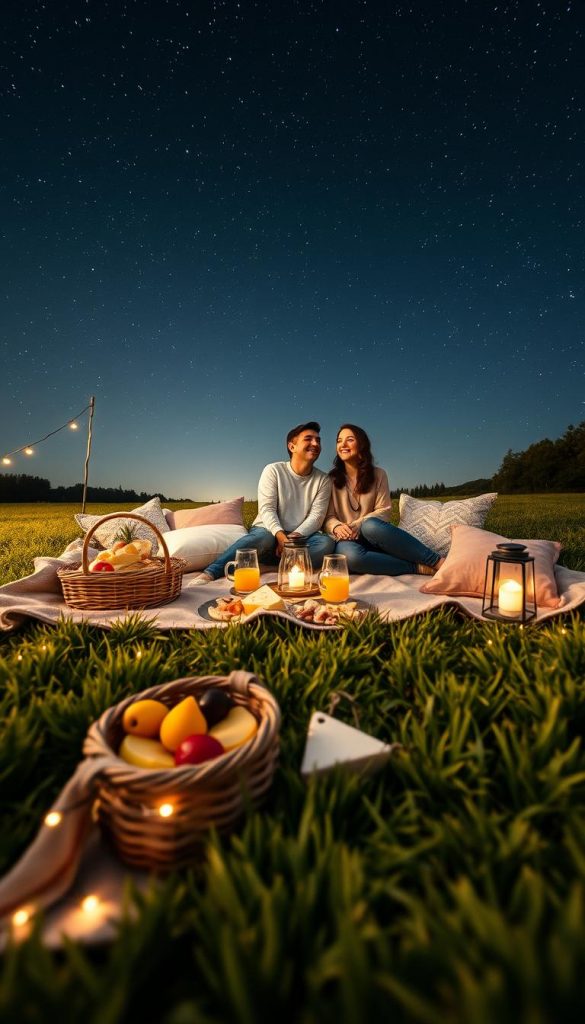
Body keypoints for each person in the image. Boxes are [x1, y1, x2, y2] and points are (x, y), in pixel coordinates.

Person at [192, 421, 335, 583]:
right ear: (292, 446)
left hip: (300, 535)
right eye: (308, 439)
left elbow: (316, 517)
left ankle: (272, 567)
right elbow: (267, 509)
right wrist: (280, 536)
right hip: (267, 529)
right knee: (263, 539)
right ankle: (211, 572)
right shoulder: (273, 470)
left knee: (325, 543)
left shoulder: (323, 480)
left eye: (318, 440)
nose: (315, 444)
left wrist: (291, 539)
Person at [324, 424, 444, 576]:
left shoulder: (379, 474)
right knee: (350, 558)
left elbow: (385, 511)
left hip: (373, 535)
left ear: (361, 445)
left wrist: (359, 524)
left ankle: (437, 561)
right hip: (347, 538)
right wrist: (336, 527)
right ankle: (417, 568)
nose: (343, 445)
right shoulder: (330, 479)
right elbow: (328, 517)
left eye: (350, 440)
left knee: (370, 526)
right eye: (339, 441)